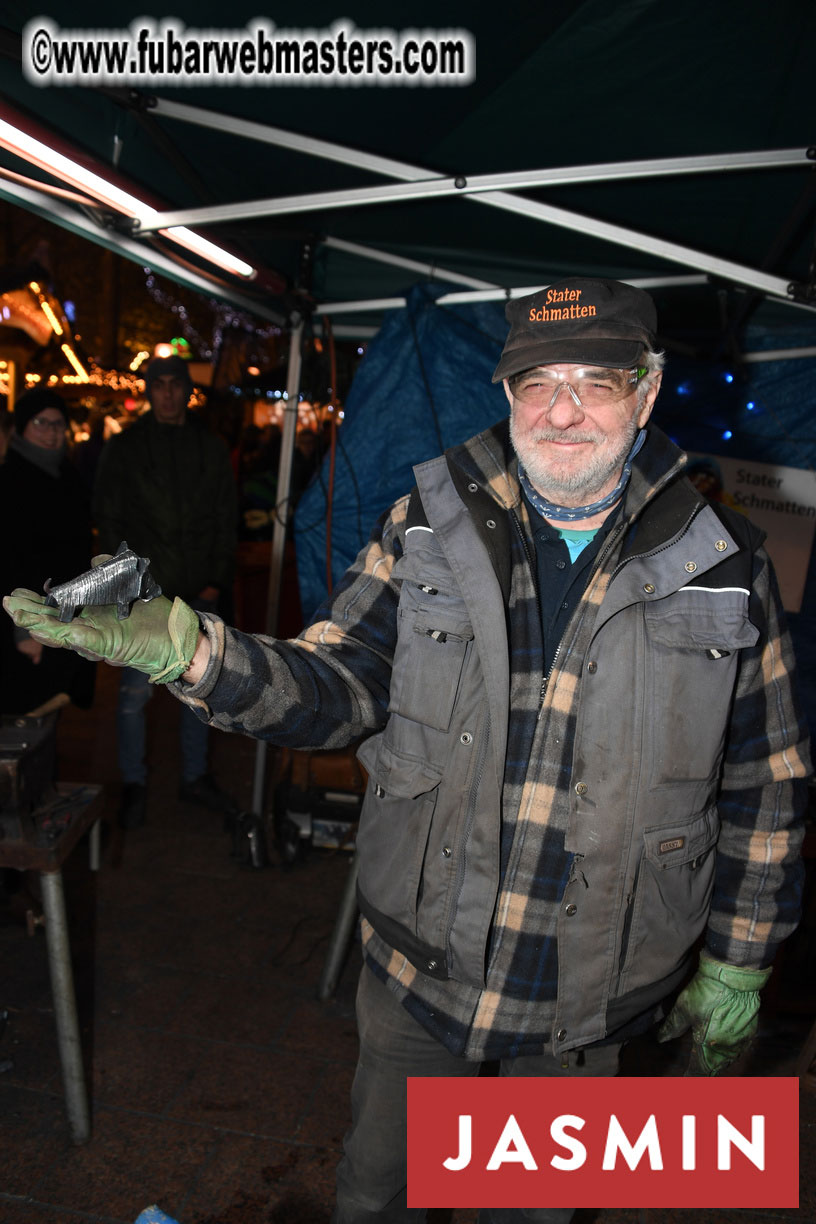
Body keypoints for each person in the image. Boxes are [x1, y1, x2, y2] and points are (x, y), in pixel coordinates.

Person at [5, 278, 811, 1223]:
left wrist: (739, 961)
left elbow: (768, 782)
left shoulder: (726, 563)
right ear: (505, 394)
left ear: (646, 391)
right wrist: (197, 654)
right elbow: (338, 687)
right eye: (535, 381)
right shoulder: (425, 527)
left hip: (587, 990)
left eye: (594, 381)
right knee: (376, 1195)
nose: (561, 410)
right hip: (422, 969)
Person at [91, 354, 238, 828]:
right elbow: (110, 517)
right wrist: (124, 580)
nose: (169, 393)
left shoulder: (208, 448)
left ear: (186, 391)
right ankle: (133, 781)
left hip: (197, 590)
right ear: (150, 390)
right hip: (145, 594)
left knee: (201, 691)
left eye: (177, 384)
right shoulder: (127, 448)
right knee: (136, 693)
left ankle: (194, 776)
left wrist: (215, 578)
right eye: (161, 385)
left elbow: (223, 516)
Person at [0, 387, 95, 716]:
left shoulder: (67, 475)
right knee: (27, 713)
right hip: (28, 621)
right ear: (22, 427)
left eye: (58, 424)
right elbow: (10, 559)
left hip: (62, 612)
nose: (52, 432)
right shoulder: (10, 479)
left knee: (52, 706)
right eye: (41, 423)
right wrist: (23, 628)